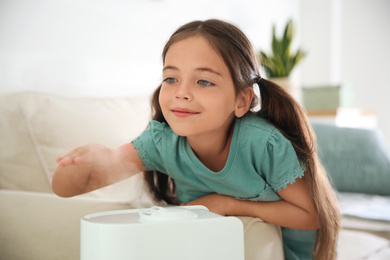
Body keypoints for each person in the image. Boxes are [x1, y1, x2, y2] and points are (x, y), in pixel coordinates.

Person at [52, 19, 340, 259]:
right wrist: (89, 160)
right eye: (171, 78)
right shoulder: (161, 143)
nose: (182, 92)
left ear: (241, 100)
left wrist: (228, 204)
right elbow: (66, 188)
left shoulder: (263, 144)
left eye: (204, 81)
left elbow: (311, 215)